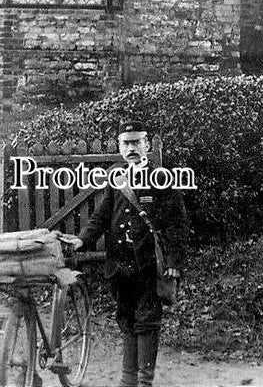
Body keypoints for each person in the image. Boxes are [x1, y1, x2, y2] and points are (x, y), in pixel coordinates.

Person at [61, 121, 188, 387]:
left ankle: (144, 382)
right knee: (127, 319)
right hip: (120, 264)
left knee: (147, 320)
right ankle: (127, 381)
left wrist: (174, 261)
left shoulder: (162, 178)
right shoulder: (116, 178)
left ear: (147, 145)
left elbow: (177, 222)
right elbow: (102, 216)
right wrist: (83, 240)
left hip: (149, 263)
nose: (131, 148)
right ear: (119, 147)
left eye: (136, 142)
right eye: (125, 143)